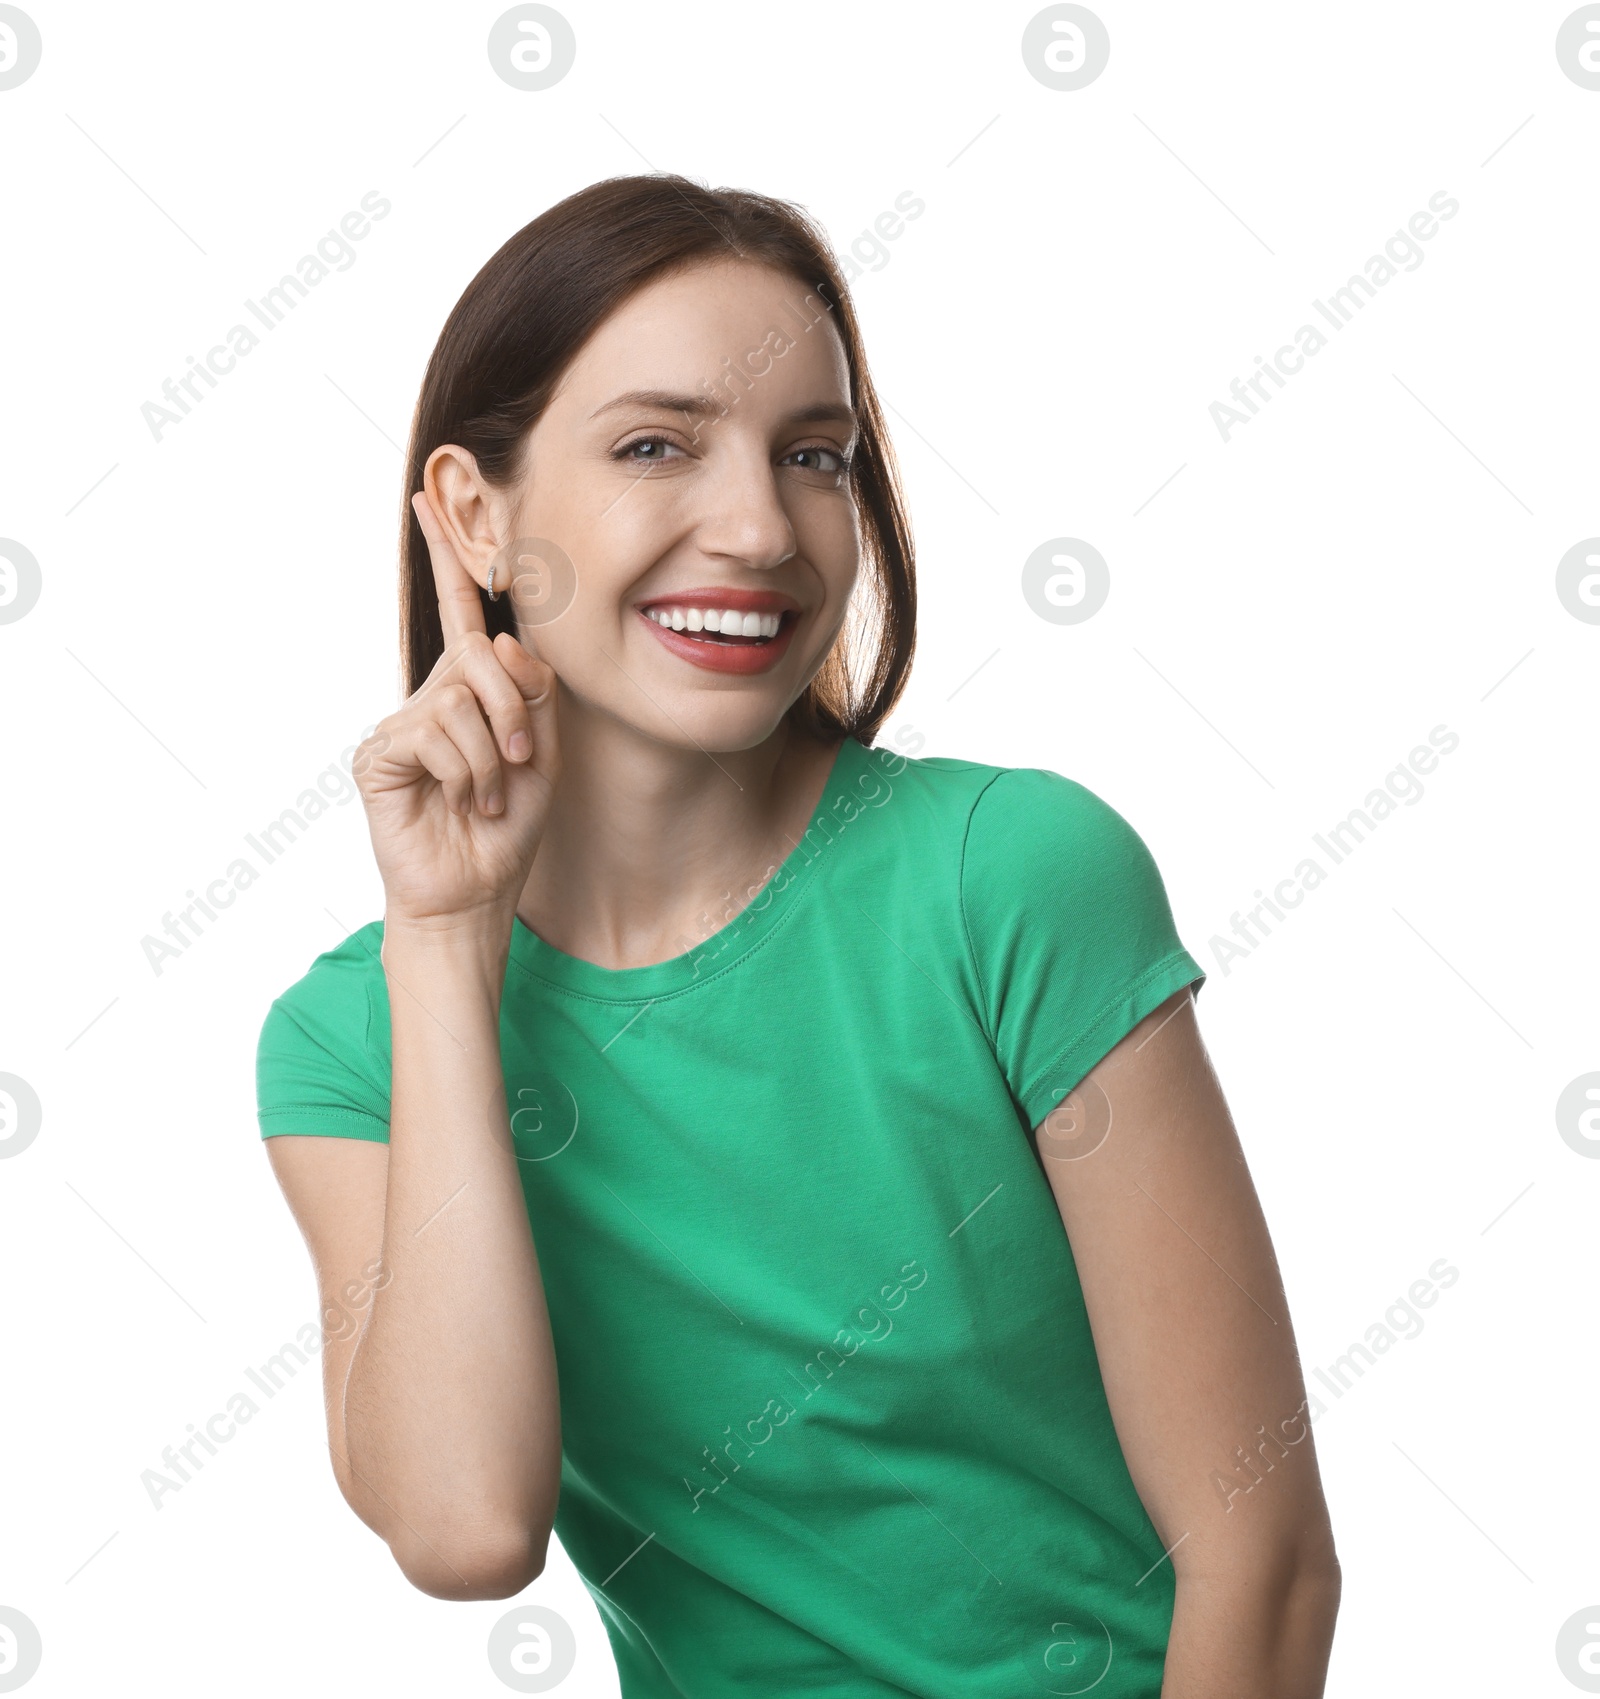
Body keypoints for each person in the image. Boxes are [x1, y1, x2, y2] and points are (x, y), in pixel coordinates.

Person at [256, 173, 1339, 1698]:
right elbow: (463, 1529)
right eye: (655, 446)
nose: (763, 526)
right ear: (474, 515)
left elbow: (1266, 1566)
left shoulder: (1006, 879)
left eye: (814, 457)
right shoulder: (350, 1042)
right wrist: (442, 943)